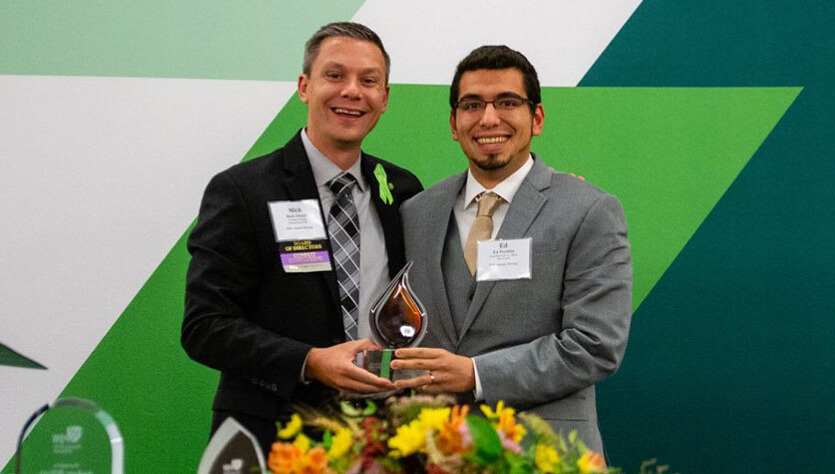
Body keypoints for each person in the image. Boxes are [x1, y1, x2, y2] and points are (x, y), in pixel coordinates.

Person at [182, 22, 423, 454]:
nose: (352, 91)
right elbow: (205, 326)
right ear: (304, 86)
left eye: (369, 81)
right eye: (335, 75)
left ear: (384, 99)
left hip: (382, 439)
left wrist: (561, 197)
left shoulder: (403, 190)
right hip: (272, 436)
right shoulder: (243, 190)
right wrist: (309, 362)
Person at [392, 45, 632, 454]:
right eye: (471, 105)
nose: (488, 118)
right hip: (435, 453)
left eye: (507, 102)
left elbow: (595, 345)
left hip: (546, 454)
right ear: (453, 123)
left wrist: (475, 374)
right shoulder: (416, 212)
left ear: (536, 118)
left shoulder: (589, 210)